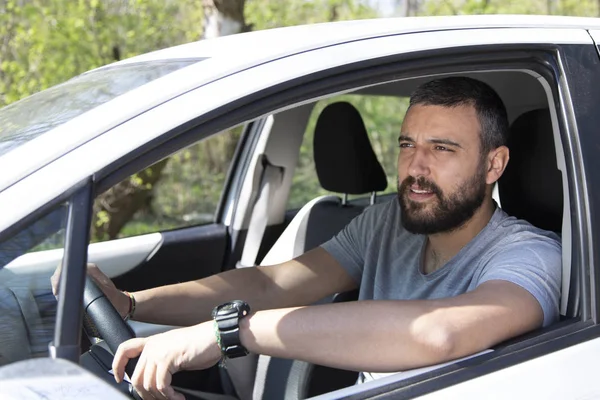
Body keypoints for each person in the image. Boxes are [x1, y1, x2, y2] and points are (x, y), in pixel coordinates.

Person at [52, 77, 562, 400]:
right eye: (408, 145)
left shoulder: (532, 255)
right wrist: (132, 302)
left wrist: (227, 334)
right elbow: (274, 285)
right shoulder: (389, 222)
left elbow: (439, 333)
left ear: (494, 164)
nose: (415, 167)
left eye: (443, 149)